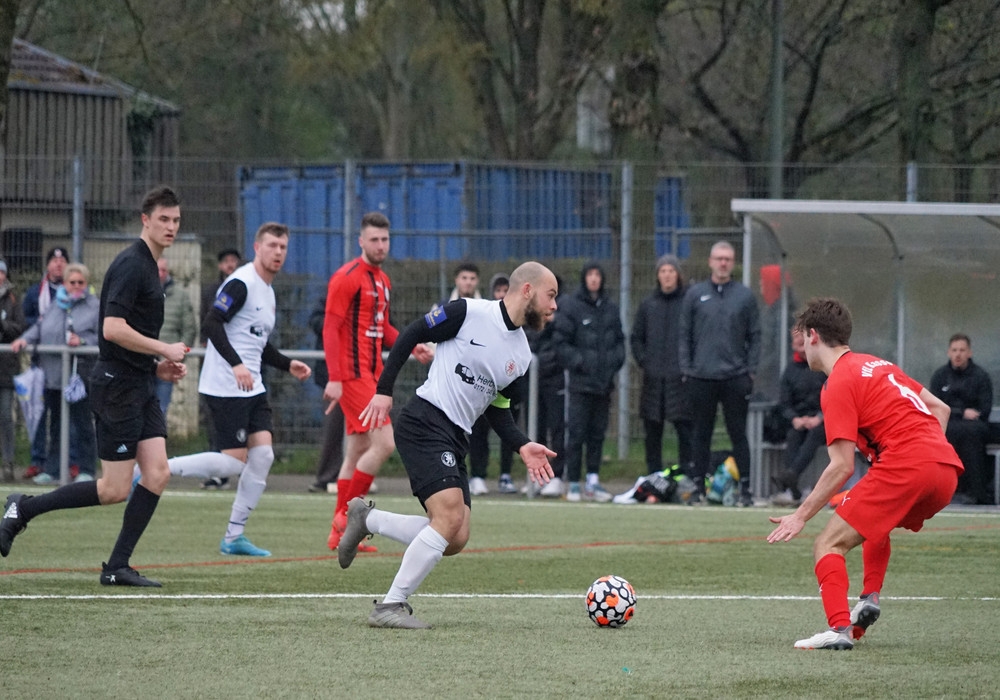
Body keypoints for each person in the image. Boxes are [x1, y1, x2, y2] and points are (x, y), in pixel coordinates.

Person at [337, 261, 559, 629]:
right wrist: (384, 391)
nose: (554, 306)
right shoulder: (468, 312)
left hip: (456, 436)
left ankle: (367, 519)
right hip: (425, 420)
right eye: (550, 295)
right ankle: (390, 606)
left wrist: (521, 445)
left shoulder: (521, 355)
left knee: (456, 536)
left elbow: (498, 409)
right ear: (527, 291)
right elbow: (413, 332)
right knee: (449, 517)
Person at [1, 185, 189, 587]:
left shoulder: (150, 266)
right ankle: (22, 508)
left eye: (176, 220)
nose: (171, 226)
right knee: (114, 489)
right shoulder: (132, 265)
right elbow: (112, 329)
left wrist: (156, 368)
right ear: (145, 220)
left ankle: (117, 567)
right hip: (117, 388)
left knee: (157, 473)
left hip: (139, 384)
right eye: (164, 219)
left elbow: (125, 336)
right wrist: (163, 348)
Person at [767, 297, 962, 650]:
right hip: (945, 470)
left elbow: (841, 466)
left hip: (906, 466)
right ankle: (869, 598)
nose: (802, 347)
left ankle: (839, 629)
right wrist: (927, 454)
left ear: (813, 336)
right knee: (876, 522)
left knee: (827, 543)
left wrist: (800, 515)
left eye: (802, 338)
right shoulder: (879, 364)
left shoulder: (838, 382)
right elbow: (940, 408)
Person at [162, 222, 311, 557]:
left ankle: (233, 536)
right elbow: (212, 323)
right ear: (257, 248)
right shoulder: (241, 283)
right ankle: (160, 468)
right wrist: (236, 364)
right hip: (226, 386)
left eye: (283, 247)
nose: (278, 252)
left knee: (263, 455)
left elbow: (257, 342)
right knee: (233, 463)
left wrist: (287, 364)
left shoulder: (267, 291)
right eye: (272, 245)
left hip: (251, 387)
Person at [322, 212, 432, 551]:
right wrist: (335, 378)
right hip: (353, 376)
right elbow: (330, 327)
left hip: (371, 374)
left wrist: (411, 346)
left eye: (385, 239)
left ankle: (338, 533)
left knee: (357, 449)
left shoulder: (383, 280)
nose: (381, 245)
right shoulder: (346, 277)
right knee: (384, 444)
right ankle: (346, 517)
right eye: (374, 240)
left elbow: (382, 328)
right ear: (361, 241)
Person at [679, 241, 760, 506]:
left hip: (735, 377)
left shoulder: (745, 296)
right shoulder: (695, 294)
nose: (723, 263)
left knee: (738, 434)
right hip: (701, 377)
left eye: (727, 259)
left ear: (733, 263)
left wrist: (751, 371)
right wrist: (687, 369)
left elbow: (755, 335)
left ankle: (745, 490)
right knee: (701, 434)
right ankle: (699, 488)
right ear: (710, 262)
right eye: (719, 258)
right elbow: (684, 335)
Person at [11, 262, 100, 484]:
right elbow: (40, 328)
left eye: (80, 282)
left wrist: (82, 341)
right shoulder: (55, 305)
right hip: (53, 375)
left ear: (86, 283)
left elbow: (103, 337)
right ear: (65, 283)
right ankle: (53, 470)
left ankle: (87, 468)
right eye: (72, 282)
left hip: (80, 376)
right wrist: (24, 340)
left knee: (82, 423)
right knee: (56, 424)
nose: (76, 286)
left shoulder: (95, 306)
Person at [551, 262, 625, 502]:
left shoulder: (610, 308)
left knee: (597, 433)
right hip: (580, 384)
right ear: (584, 278)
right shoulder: (572, 307)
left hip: (604, 384)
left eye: (597, 275)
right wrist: (580, 362)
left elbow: (619, 342)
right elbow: (561, 342)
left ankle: (593, 479)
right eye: (590, 275)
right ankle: (573, 482)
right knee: (576, 432)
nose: (594, 279)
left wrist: (613, 363)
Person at [631, 254, 693, 477]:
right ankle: (654, 476)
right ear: (658, 276)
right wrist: (645, 361)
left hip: (681, 380)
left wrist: (688, 365)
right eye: (663, 271)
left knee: (686, 430)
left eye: (671, 271)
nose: (667, 275)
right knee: (652, 432)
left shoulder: (688, 303)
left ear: (678, 275)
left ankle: (686, 476)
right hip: (653, 379)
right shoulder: (648, 305)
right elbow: (636, 338)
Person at [468, 272, 522, 495]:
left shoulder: (519, 323)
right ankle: (477, 476)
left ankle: (505, 475)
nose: (501, 294)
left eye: (505, 290)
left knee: (508, 431)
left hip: (507, 389)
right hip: (483, 389)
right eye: (498, 290)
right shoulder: (483, 317)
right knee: (478, 433)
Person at [20, 246, 68, 479]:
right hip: (40, 363)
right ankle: (37, 460)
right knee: (38, 414)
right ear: (48, 265)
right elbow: (26, 319)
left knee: (62, 417)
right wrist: (43, 325)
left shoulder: (73, 290)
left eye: (62, 260)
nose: (58, 264)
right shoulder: (35, 292)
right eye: (54, 260)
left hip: (65, 365)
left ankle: (63, 462)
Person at [929, 333, 993, 505]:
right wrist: (961, 412)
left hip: (974, 428)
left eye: (962, 350)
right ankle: (939, 491)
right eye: (954, 350)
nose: (958, 354)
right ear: (949, 352)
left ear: (969, 353)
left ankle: (975, 493)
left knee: (970, 433)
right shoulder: (940, 376)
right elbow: (933, 406)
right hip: (947, 425)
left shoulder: (981, 377)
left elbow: (985, 410)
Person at [199, 247, 242, 490]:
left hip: (242, 366)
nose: (230, 265)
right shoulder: (212, 291)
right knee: (216, 420)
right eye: (226, 261)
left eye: (234, 261)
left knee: (246, 421)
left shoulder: (248, 288)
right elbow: (208, 322)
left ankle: (244, 471)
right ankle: (218, 473)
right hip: (219, 366)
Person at [769, 328, 827, 507]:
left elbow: (835, 395)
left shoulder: (823, 366)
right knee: (793, 435)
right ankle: (792, 488)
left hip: (824, 421)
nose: (800, 342)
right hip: (799, 421)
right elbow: (784, 403)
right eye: (796, 339)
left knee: (816, 433)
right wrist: (795, 419)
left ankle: (790, 477)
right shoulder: (790, 370)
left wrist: (819, 417)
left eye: (803, 338)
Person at [307, 292, 345, 494]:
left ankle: (359, 477)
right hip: (335, 375)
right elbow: (318, 323)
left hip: (364, 374)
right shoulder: (334, 293)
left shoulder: (376, 290)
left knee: (368, 434)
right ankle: (326, 477)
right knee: (334, 427)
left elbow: (385, 327)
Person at [155, 256, 197, 416]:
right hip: (143, 360)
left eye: (163, 270)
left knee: (160, 410)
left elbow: (189, 329)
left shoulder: (181, 295)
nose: (160, 274)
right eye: (157, 270)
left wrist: (178, 356)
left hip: (167, 361)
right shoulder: (140, 292)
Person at [0, 260, 26, 482]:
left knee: (6, 416)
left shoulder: (13, 300)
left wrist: (3, 325)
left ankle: (8, 462)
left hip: (6, 367)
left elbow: (20, 328)